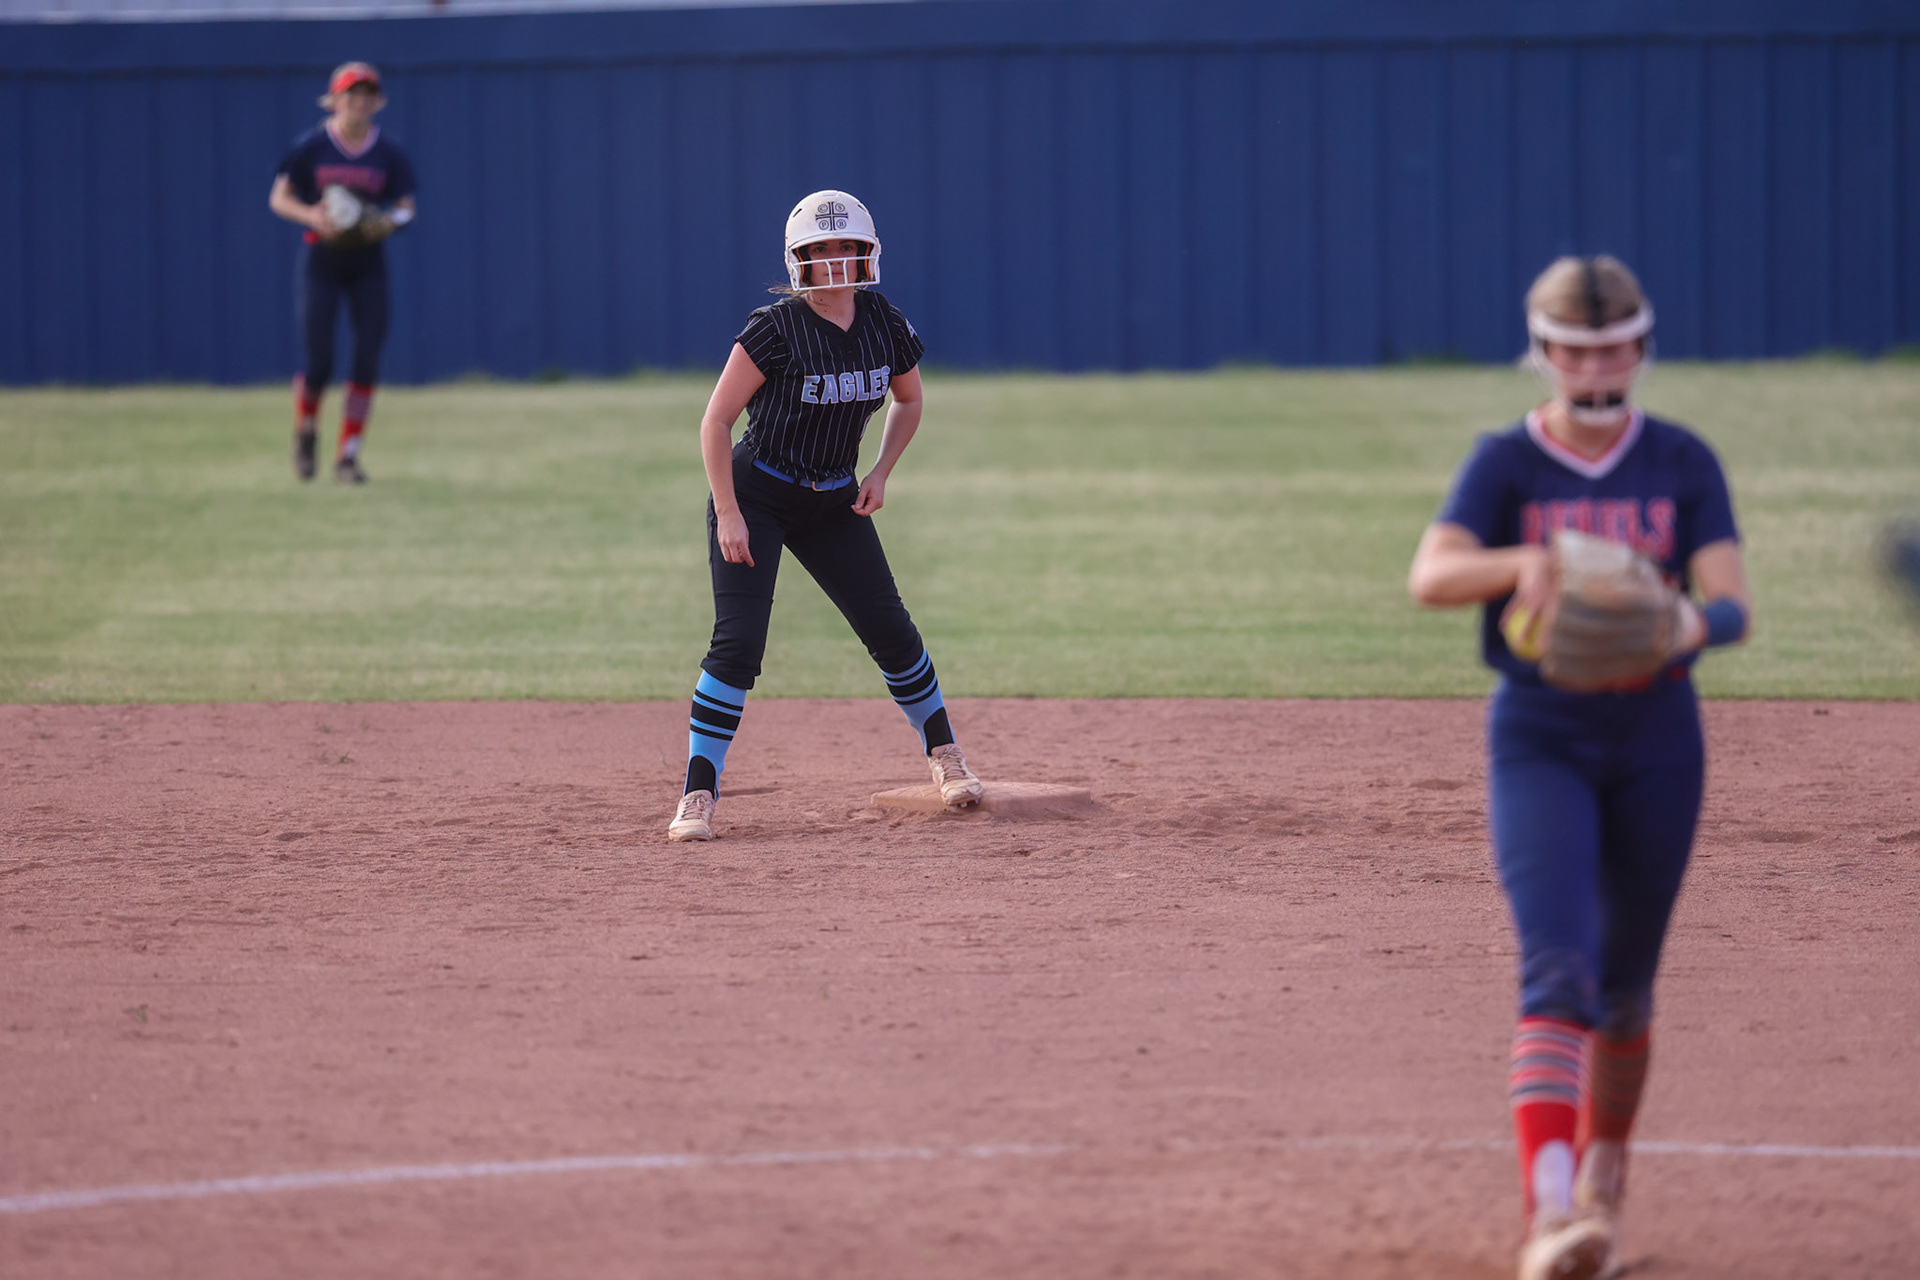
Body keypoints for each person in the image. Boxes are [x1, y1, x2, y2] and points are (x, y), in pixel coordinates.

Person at [1406, 256, 1753, 1280]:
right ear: (1544, 351)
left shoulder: (1682, 460)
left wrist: (1689, 616)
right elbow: (1432, 574)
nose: (1594, 362)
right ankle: (1552, 1213)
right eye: (1574, 346)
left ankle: (1605, 1170)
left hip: (1656, 737)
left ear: (1640, 347)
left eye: (1612, 345)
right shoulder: (1508, 461)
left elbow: (1733, 603)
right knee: (1557, 967)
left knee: (1628, 993)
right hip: (1541, 733)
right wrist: (1525, 562)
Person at [666, 190, 984, 842]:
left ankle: (946, 757)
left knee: (891, 629)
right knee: (740, 642)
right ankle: (698, 793)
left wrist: (881, 473)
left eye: (846, 247)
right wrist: (728, 511)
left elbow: (910, 399)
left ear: (867, 253)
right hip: (759, 495)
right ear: (798, 260)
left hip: (835, 497)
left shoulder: (882, 320)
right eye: (821, 250)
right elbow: (716, 421)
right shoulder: (774, 328)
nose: (836, 261)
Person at [268, 62, 417, 484]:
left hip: (368, 260)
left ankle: (348, 457)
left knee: (367, 356)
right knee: (319, 362)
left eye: (368, 95)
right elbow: (279, 198)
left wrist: (388, 221)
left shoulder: (387, 152)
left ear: (378, 102)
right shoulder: (313, 147)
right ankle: (307, 430)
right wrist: (312, 215)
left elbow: (406, 207)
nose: (359, 103)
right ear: (333, 100)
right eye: (351, 94)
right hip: (322, 260)